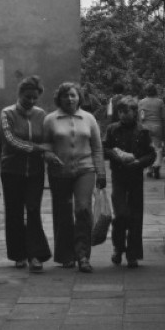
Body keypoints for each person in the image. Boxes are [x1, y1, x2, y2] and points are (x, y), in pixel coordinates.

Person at [42, 81, 105, 273]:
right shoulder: (50, 120)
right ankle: (65, 256)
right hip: (59, 172)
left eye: (73, 95)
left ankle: (83, 255)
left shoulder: (89, 119)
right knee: (62, 213)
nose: (69, 99)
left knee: (83, 209)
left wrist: (101, 171)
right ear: (59, 98)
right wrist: (49, 156)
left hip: (85, 170)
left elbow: (97, 147)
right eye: (65, 96)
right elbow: (45, 145)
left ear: (79, 98)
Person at [0, 75, 52, 272]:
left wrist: (45, 151)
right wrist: (37, 149)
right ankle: (18, 254)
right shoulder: (7, 113)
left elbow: (48, 139)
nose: (30, 101)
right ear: (20, 94)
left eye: (34, 98)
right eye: (27, 97)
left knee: (32, 209)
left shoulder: (41, 115)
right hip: (12, 170)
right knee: (14, 212)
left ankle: (35, 255)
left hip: (36, 172)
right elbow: (10, 140)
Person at [103, 95, 156, 268]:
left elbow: (151, 154)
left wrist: (139, 162)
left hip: (135, 177)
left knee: (135, 216)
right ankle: (118, 247)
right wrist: (117, 156)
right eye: (121, 111)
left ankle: (132, 254)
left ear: (135, 113)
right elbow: (105, 148)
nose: (124, 115)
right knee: (121, 214)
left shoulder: (143, 131)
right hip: (118, 177)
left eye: (128, 112)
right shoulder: (112, 130)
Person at [137, 84, 165, 178]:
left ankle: (149, 169)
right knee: (158, 147)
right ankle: (156, 165)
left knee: (147, 148)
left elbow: (140, 117)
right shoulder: (160, 102)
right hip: (157, 126)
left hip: (145, 127)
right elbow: (163, 116)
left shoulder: (141, 102)